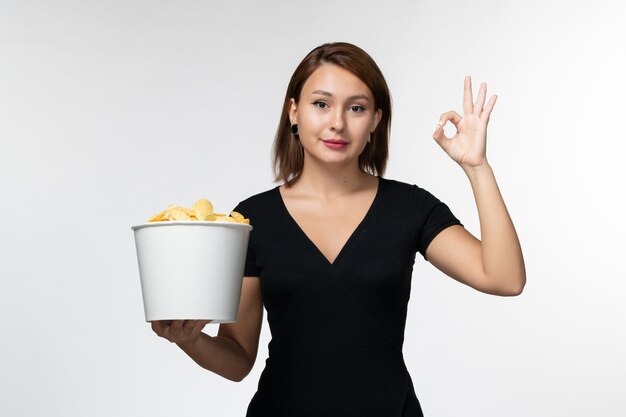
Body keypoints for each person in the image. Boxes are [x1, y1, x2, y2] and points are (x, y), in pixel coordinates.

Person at [151, 42, 526, 416]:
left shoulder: (410, 208)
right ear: (294, 112)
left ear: (376, 120)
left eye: (357, 108)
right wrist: (190, 339)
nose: (338, 123)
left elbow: (504, 278)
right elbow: (237, 360)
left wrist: (477, 168)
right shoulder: (251, 220)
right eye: (321, 104)